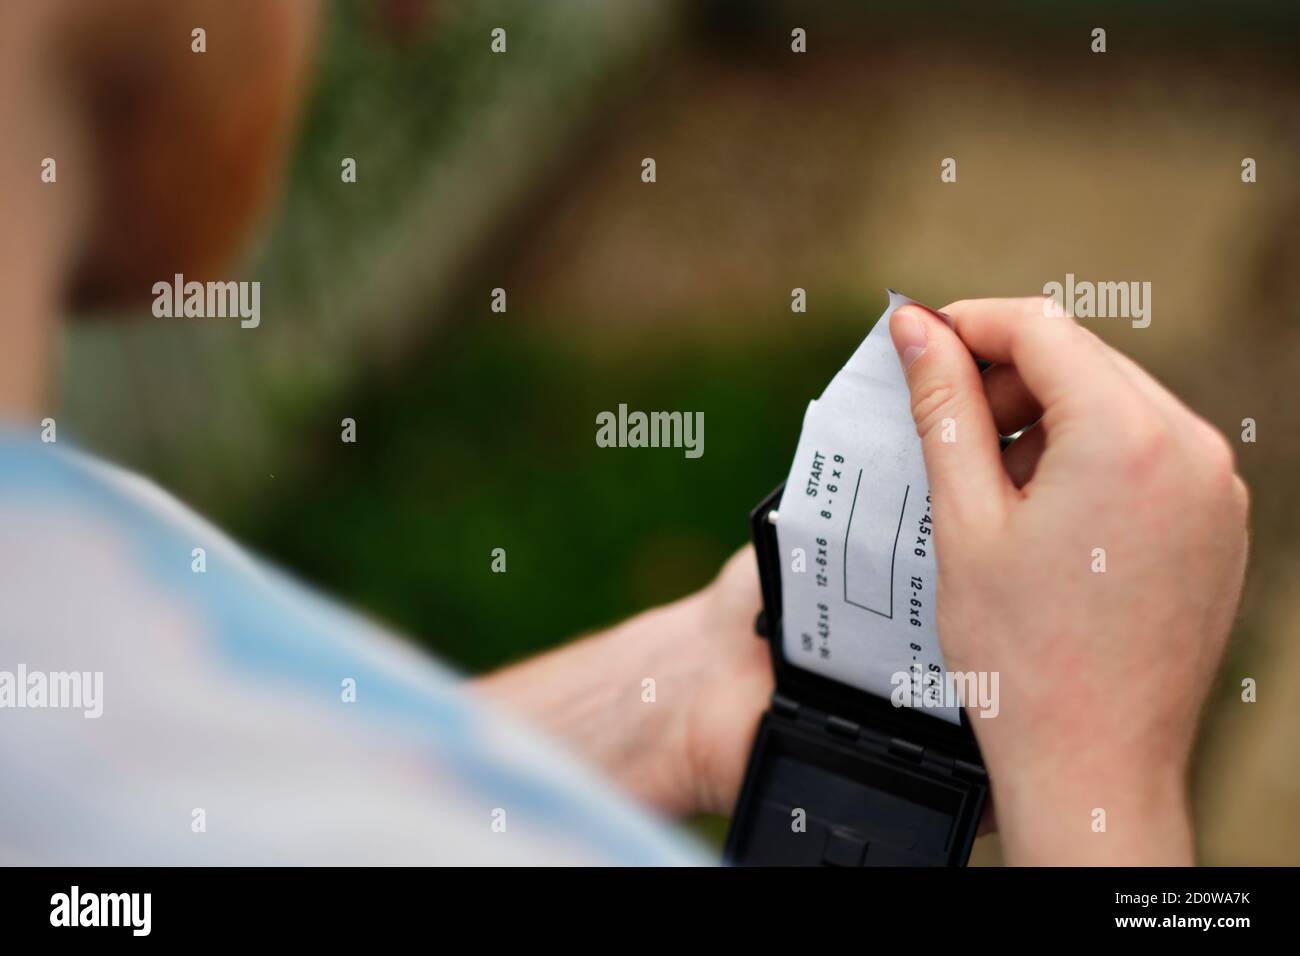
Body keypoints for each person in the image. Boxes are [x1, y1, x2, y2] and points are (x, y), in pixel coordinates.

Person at [0, 0, 1248, 865]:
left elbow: (227, 794)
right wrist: (1101, 793)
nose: (408, 15)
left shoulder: (71, 572)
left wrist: (674, 689)